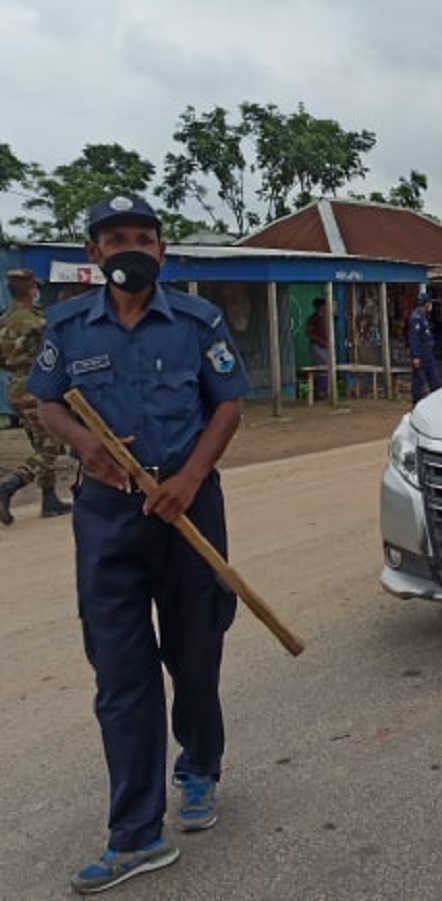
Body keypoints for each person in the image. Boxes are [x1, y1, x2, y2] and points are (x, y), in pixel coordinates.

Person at [27, 195, 250, 894]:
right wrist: (85, 443)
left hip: (186, 511)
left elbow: (229, 403)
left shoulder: (197, 321)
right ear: (93, 252)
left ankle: (200, 765)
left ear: (161, 250)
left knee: (194, 651)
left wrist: (188, 476)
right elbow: (45, 400)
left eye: (141, 238)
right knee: (121, 675)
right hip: (108, 517)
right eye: (113, 237)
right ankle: (137, 833)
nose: (128, 248)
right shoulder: (66, 326)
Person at [0, 268, 72, 523]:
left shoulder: (5, 318)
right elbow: (56, 352)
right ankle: (9, 485)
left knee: (41, 444)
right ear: (32, 289)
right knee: (51, 445)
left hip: (14, 386)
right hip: (36, 386)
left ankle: (49, 498)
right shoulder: (38, 322)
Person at [408, 292, 442, 403]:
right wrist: (416, 356)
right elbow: (415, 338)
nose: (431, 305)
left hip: (427, 353)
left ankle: (436, 402)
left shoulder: (423, 317)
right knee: (419, 381)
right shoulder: (416, 318)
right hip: (421, 355)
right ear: (425, 304)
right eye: (429, 303)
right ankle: (417, 403)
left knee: (434, 379)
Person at [305, 296, 330, 399]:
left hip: (325, 346)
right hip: (317, 346)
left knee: (324, 367)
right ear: (320, 307)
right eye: (324, 306)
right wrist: (321, 341)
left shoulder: (325, 318)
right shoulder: (313, 318)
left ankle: (322, 390)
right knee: (323, 366)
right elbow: (309, 333)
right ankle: (320, 391)